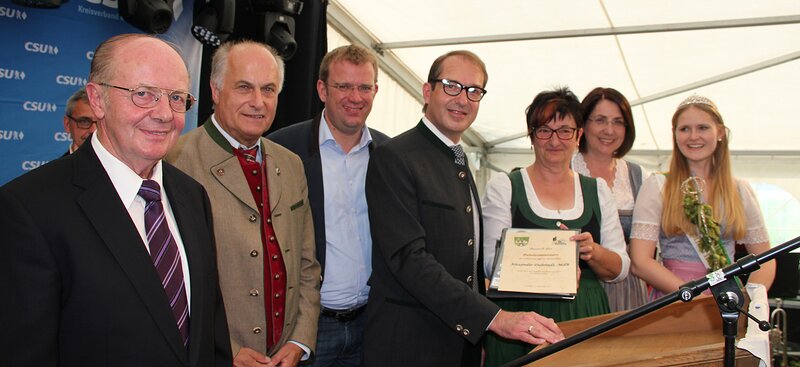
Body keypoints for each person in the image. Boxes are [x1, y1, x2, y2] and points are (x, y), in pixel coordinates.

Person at [0, 34, 232, 367]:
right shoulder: (28, 208)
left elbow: (210, 334)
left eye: (177, 98)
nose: (165, 113)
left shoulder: (193, 196)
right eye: (143, 95)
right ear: (97, 100)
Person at [363, 50, 564, 367]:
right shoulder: (395, 156)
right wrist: (493, 318)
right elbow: (408, 258)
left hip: (459, 343)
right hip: (410, 343)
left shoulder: (457, 157)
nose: (463, 99)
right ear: (428, 92)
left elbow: (466, 260)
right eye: (452, 86)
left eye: (474, 91)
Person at [166, 39, 321, 367]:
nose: (258, 102)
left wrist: (300, 339)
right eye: (244, 87)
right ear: (215, 90)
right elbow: (169, 281)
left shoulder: (291, 164)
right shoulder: (174, 161)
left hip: (284, 356)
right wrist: (225, 349)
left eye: (268, 89)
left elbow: (307, 264)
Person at [482, 87, 630, 366]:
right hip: (521, 318)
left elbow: (620, 268)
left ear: (578, 136)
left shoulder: (597, 190)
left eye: (564, 131)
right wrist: (543, 266)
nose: (554, 140)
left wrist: (592, 251)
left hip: (583, 312)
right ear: (531, 135)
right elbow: (490, 264)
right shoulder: (505, 186)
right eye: (544, 130)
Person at [268, 44, 388, 367]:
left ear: (375, 91)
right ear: (322, 89)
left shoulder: (390, 156)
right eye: (344, 86)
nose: (355, 97)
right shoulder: (281, 150)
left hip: (372, 324)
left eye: (364, 87)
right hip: (306, 330)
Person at [630, 94, 775, 298]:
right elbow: (640, 261)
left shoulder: (739, 190)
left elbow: (765, 259)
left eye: (703, 128)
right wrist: (695, 296)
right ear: (675, 135)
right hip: (675, 301)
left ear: (720, 133)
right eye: (685, 129)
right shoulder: (657, 186)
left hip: (725, 300)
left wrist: (751, 299)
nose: (693, 136)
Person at [572, 87, 649, 312]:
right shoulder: (564, 169)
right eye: (600, 120)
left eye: (618, 122)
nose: (609, 130)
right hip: (577, 288)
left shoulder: (639, 176)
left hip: (628, 289)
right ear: (583, 124)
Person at [62, 86, 98, 156]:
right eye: (84, 122)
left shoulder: (122, 166)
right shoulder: (56, 167)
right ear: (67, 124)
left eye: (101, 123)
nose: (94, 130)